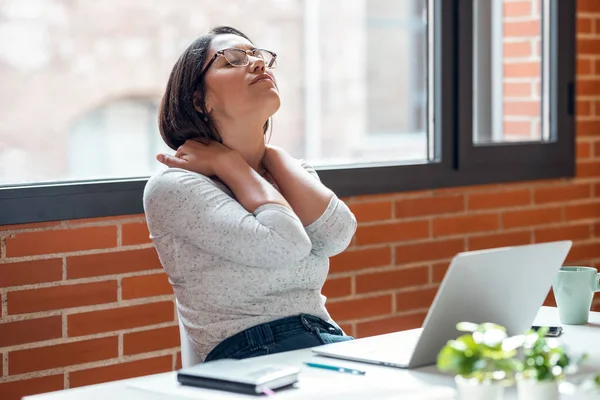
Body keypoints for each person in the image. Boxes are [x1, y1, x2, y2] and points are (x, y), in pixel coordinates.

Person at [143, 26, 357, 363]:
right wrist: (231, 165)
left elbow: (336, 237)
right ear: (200, 99)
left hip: (324, 338)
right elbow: (285, 245)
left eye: (259, 55)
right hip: (249, 356)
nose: (258, 64)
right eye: (234, 60)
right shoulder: (175, 187)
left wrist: (274, 158)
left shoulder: (288, 170)